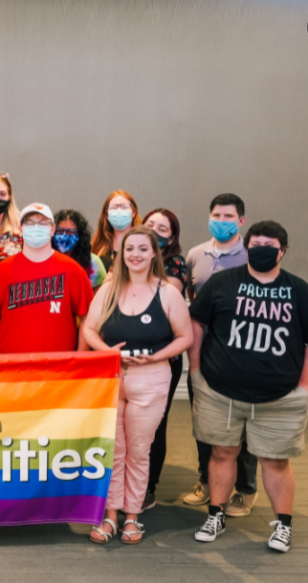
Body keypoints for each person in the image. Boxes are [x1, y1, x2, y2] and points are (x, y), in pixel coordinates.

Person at [190, 221, 308, 553]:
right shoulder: (223, 282)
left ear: (282, 250)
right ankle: (216, 514)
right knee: (222, 452)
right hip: (219, 391)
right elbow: (197, 324)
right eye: (255, 244)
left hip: (280, 396)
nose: (260, 249)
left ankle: (283, 525)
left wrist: (303, 387)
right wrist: (196, 370)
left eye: (268, 244)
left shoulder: (299, 290)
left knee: (275, 461)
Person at [82, 226, 193, 545]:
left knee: (138, 450)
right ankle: (110, 516)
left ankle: (132, 517)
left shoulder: (168, 292)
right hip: (111, 377)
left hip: (152, 378)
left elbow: (185, 337)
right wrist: (106, 352)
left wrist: (158, 355)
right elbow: (90, 329)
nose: (136, 255)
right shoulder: (108, 289)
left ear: (154, 253)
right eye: (129, 249)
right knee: (113, 450)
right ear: (119, 253)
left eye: (143, 249)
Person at [182, 194, 257, 516]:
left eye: (229, 216)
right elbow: (191, 298)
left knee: (244, 424)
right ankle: (206, 480)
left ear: (241, 221)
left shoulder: (253, 256)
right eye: (217, 215)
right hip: (203, 352)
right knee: (205, 422)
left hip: (242, 355)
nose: (222, 221)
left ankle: (245, 488)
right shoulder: (196, 254)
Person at [0, 203, 93, 355]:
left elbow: (88, 319)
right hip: (10, 371)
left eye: (43, 223)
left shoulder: (73, 271)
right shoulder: (1, 271)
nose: (36, 227)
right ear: (20, 229)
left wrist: (80, 360)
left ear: (52, 230)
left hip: (59, 372)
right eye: (30, 223)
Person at [141, 208, 189, 509]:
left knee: (155, 424)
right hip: (129, 358)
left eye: (163, 228)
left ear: (172, 237)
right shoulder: (129, 256)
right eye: (150, 225)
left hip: (164, 357)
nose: (156, 230)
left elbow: (163, 297)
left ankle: (149, 488)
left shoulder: (175, 264)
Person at [52, 209, 106, 291]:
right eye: (60, 231)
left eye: (70, 232)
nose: (64, 236)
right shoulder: (44, 260)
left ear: (80, 235)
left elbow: (98, 299)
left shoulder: (93, 263)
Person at [91, 190, 142, 271]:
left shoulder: (145, 243)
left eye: (124, 207)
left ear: (134, 213)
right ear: (107, 214)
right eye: (114, 207)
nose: (119, 211)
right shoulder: (97, 245)